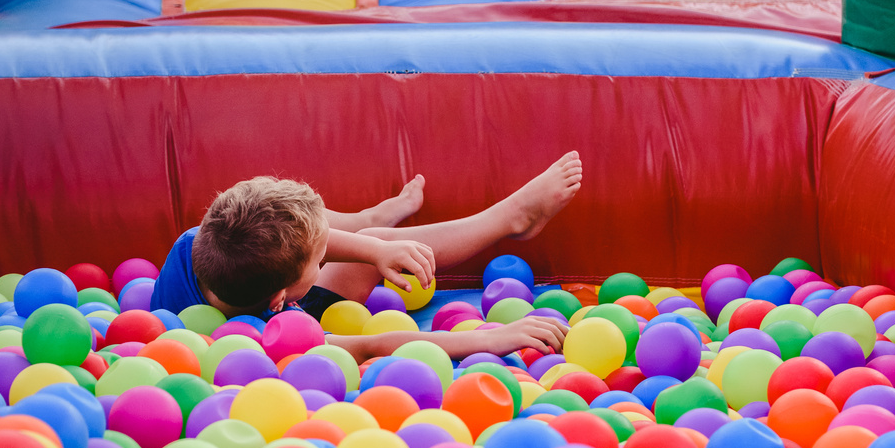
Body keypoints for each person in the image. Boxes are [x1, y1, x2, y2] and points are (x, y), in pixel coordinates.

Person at [148, 153, 584, 360]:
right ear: (282, 298)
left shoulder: (200, 240)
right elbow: (375, 343)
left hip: (270, 287)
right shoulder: (263, 342)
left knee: (370, 239)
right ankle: (512, 218)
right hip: (286, 327)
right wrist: (489, 338)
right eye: (319, 261)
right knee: (362, 244)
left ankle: (370, 219)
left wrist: (378, 248)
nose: (325, 258)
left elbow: (309, 246)